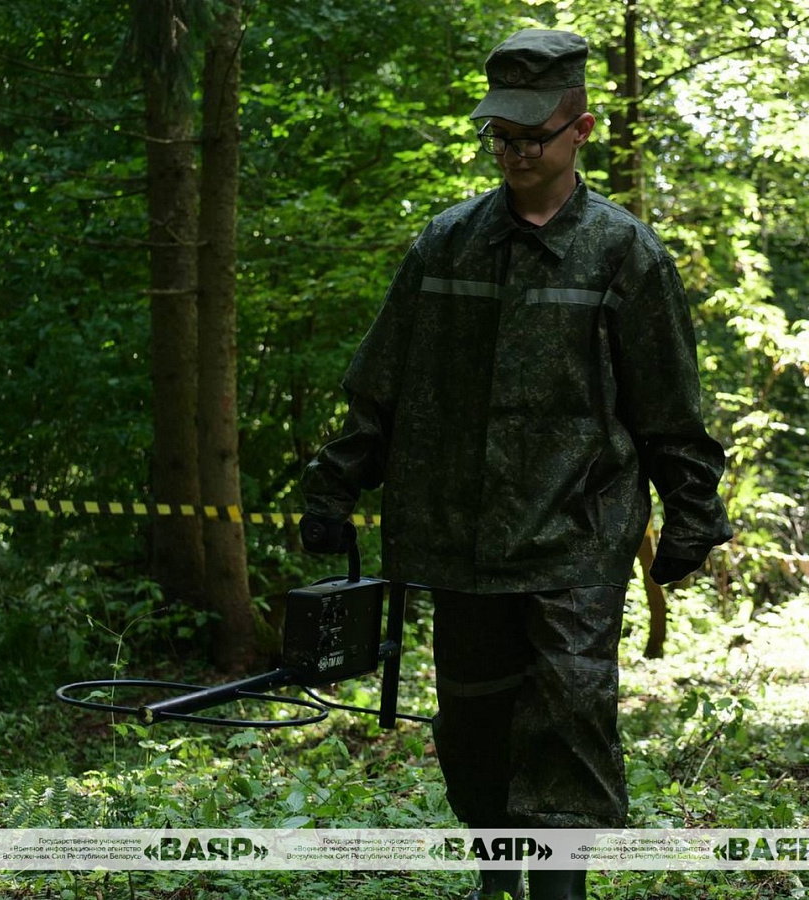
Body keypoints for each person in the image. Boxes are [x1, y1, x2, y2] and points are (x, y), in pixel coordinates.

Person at [299, 28, 732, 900]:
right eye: (501, 135)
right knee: (474, 721)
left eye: (532, 136)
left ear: (582, 130)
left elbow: (669, 405)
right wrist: (334, 482)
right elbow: (381, 385)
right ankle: (496, 875)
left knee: (570, 713)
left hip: (578, 533)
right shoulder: (446, 244)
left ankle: (559, 891)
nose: (514, 152)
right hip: (458, 535)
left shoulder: (625, 253)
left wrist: (694, 512)